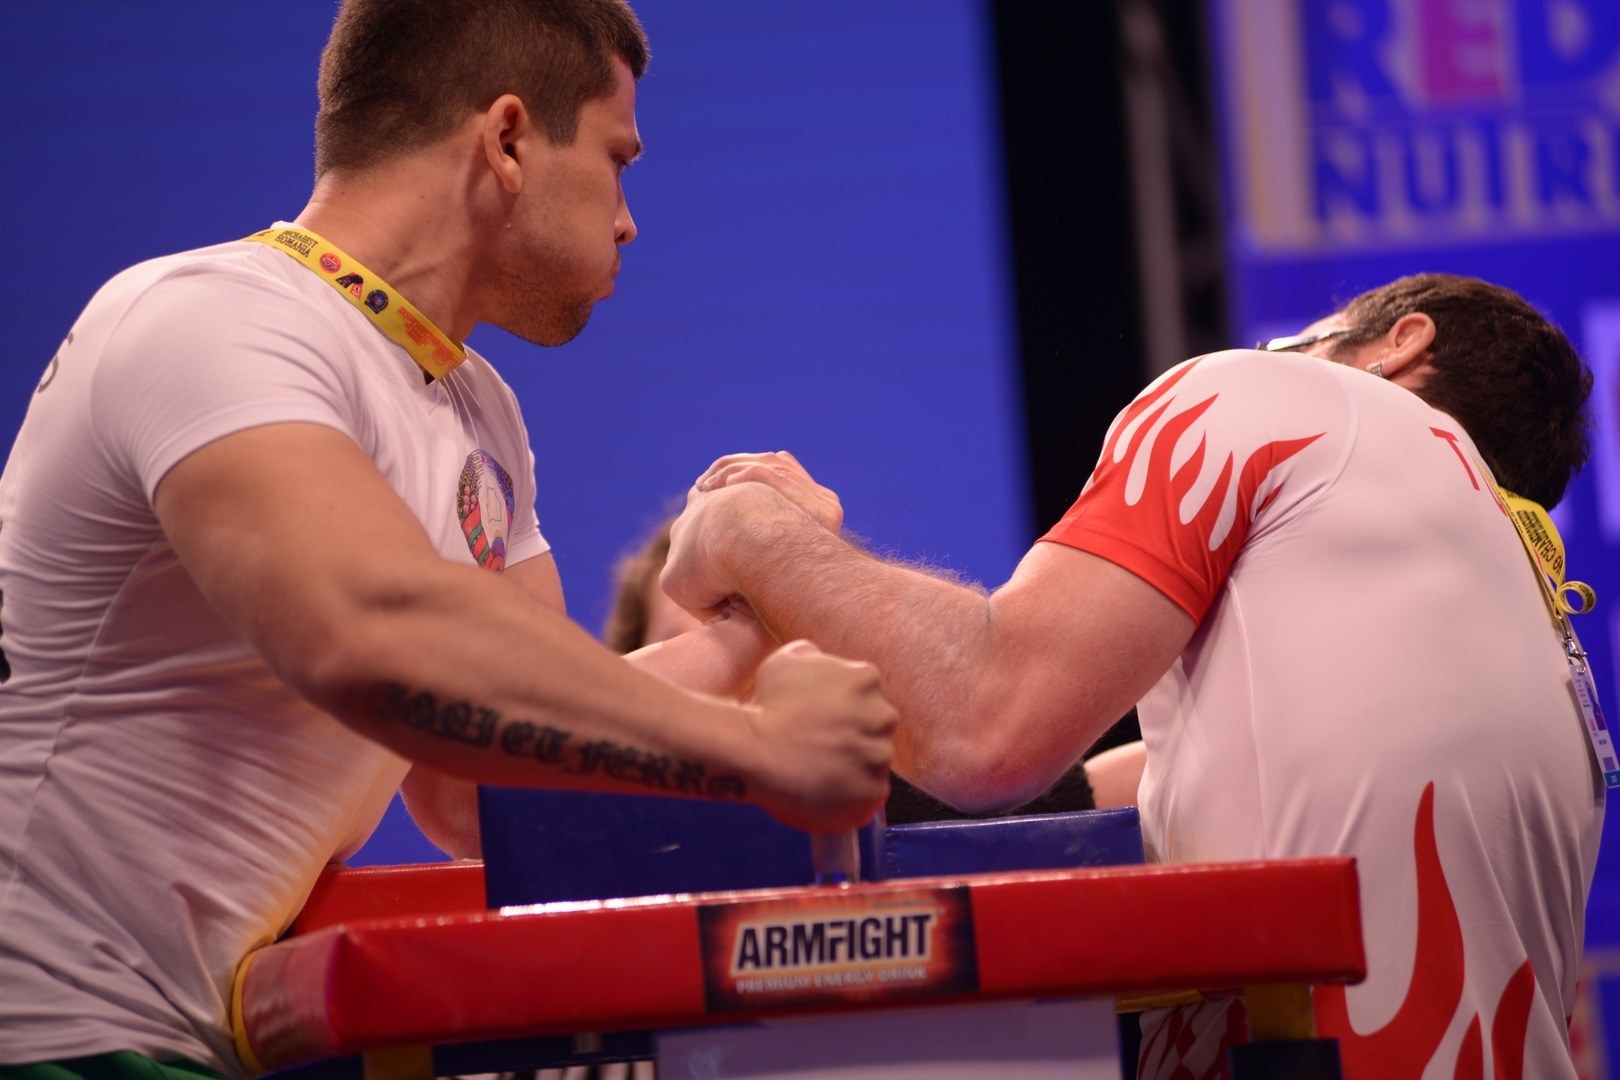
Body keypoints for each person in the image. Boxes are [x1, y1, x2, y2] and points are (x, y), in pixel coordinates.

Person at [0, 3, 897, 1076]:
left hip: (178, 1044)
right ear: (508, 140)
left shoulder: (481, 414)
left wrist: (757, 600)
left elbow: (487, 781)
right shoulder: (208, 318)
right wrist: (761, 750)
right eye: (618, 160)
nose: (630, 220)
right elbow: (367, 634)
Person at [661, 274, 1606, 1078]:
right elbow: (1073, 797)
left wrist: (750, 533)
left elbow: (985, 726)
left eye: (1298, 337)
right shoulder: (1531, 615)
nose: (1270, 349)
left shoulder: (1282, 400)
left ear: (1398, 346)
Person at [604, 512, 1148, 819]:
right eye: (701, 647)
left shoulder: (907, 800)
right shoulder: (593, 815)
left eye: (772, 641)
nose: (745, 672)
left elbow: (1138, 786)